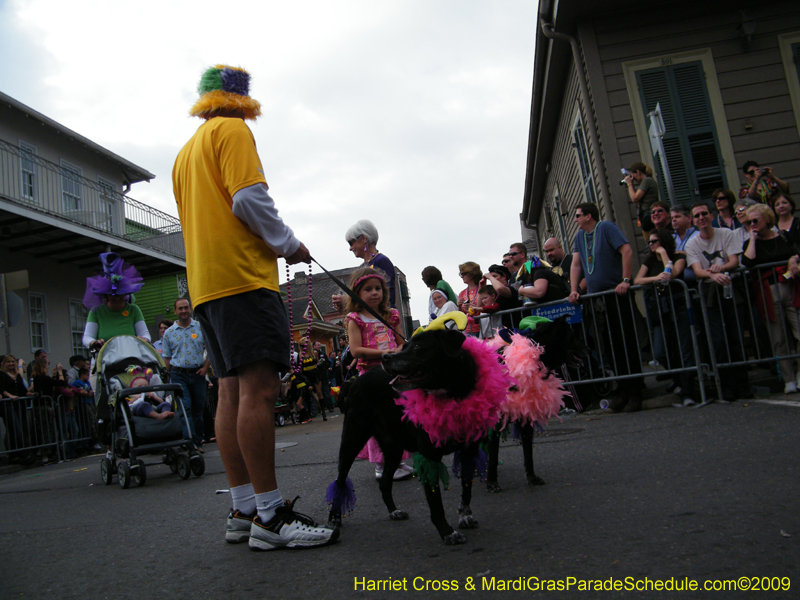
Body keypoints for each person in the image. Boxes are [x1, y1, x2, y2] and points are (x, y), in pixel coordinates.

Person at [172, 64, 337, 549]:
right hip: (244, 278)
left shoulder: (186, 152)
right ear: (239, 99)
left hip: (207, 286)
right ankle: (271, 517)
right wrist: (289, 243)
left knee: (229, 393)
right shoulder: (233, 130)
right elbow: (248, 200)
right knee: (260, 392)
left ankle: (244, 508)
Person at [568, 202, 644, 412]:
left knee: (625, 342)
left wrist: (626, 279)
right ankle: (623, 390)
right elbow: (577, 264)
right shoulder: (579, 237)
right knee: (609, 345)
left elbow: (627, 250)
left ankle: (636, 390)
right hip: (597, 298)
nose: (575, 219)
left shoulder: (606, 228)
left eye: (578, 215)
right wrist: (575, 289)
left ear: (589, 216)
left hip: (615, 293)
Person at [344, 267, 411, 480]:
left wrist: (398, 352)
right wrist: (385, 353)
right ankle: (382, 465)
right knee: (377, 421)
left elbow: (401, 342)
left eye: (378, 288)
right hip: (371, 378)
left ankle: (398, 459)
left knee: (397, 418)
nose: (375, 293)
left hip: (392, 375)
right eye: (368, 289)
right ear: (357, 293)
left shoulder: (391, 315)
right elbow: (355, 350)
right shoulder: (355, 318)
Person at [685, 202, 750, 401]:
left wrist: (718, 271)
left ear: (711, 215)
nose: (701, 217)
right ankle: (726, 386)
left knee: (736, 336)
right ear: (693, 221)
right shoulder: (692, 244)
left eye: (704, 213)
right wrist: (713, 275)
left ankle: (743, 384)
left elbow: (733, 261)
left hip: (731, 287)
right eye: (697, 215)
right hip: (709, 293)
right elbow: (697, 270)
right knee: (718, 340)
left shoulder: (726, 234)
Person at [742, 204, 800, 394]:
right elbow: (748, 261)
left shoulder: (783, 236)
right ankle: (788, 378)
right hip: (768, 291)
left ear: (767, 219)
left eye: (756, 220)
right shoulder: (751, 243)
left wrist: (794, 259)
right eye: (749, 222)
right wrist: (752, 237)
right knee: (779, 338)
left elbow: (795, 251)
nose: (752, 224)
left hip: (791, 288)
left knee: (798, 332)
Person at [634, 229, 695, 406]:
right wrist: (655, 277)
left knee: (684, 348)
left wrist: (664, 255)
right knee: (661, 350)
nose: (651, 245)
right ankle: (678, 377)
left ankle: (688, 391)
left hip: (678, 303)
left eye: (654, 242)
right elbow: (638, 279)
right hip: (659, 306)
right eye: (649, 242)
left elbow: (672, 274)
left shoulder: (678, 256)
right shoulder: (650, 260)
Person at [162, 298, 209, 451]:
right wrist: (168, 376)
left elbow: (211, 349)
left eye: (186, 308)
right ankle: (190, 442)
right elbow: (167, 358)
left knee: (198, 409)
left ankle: (197, 440)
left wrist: (205, 368)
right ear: (175, 311)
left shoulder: (200, 327)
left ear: (190, 309)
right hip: (178, 374)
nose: (183, 311)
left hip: (198, 373)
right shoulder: (169, 333)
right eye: (180, 308)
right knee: (185, 408)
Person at [82, 253, 149, 352]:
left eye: (120, 294)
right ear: (106, 295)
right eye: (112, 294)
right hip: (105, 358)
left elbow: (145, 334)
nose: (116, 297)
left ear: (125, 294)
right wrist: (93, 342)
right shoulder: (96, 311)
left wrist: (145, 339)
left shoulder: (133, 309)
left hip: (131, 355)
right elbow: (87, 337)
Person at [624, 162, 659, 240]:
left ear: (638, 172)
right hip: (645, 215)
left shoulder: (647, 181)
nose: (633, 178)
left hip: (648, 214)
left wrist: (629, 184)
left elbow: (635, 198)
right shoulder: (646, 182)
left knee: (650, 241)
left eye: (633, 175)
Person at [457, 262, 483, 337]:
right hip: (468, 330)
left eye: (464, 274)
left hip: (483, 328)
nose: (461, 276)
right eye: (461, 274)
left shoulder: (482, 289)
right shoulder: (462, 293)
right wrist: (459, 306)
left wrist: (476, 307)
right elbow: (461, 314)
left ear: (471, 274)